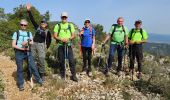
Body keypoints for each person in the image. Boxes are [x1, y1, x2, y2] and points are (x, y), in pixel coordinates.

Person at [12, 19, 43, 91]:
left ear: (27, 26)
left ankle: (39, 80)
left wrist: (27, 41)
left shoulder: (29, 33)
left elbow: (32, 42)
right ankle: (20, 84)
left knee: (33, 66)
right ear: (20, 25)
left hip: (28, 52)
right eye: (22, 25)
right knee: (20, 68)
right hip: (19, 52)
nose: (23, 26)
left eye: (25, 25)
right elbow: (13, 45)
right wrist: (21, 47)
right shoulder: (16, 33)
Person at [26, 4, 51, 81]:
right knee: (31, 59)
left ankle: (42, 74)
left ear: (46, 24)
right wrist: (29, 11)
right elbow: (32, 19)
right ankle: (29, 73)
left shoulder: (47, 31)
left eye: (44, 23)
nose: (42, 23)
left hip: (41, 45)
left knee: (41, 59)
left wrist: (46, 47)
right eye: (42, 22)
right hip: (33, 45)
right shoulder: (37, 28)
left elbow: (49, 40)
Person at [53, 12, 78, 82]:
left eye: (65, 17)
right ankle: (63, 75)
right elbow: (54, 35)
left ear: (67, 18)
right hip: (61, 45)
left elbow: (73, 35)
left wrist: (68, 39)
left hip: (68, 45)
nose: (64, 18)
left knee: (71, 61)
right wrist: (61, 39)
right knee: (61, 61)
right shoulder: (57, 25)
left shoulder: (70, 25)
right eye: (63, 17)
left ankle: (73, 76)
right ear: (61, 18)